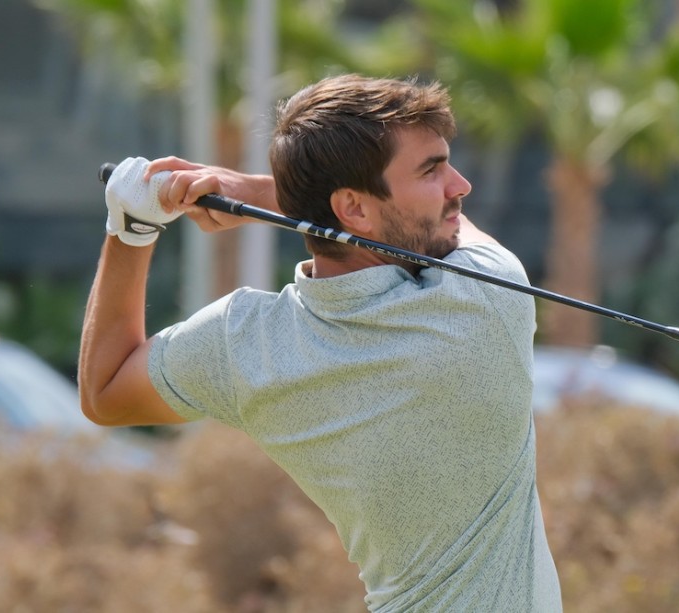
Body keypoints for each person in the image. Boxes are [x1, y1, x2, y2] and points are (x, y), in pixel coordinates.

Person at [79, 74, 562, 611]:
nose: (459, 186)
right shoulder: (488, 299)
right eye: (432, 170)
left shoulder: (245, 343)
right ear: (353, 209)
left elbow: (106, 391)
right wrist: (258, 189)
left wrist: (130, 228)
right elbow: (454, 227)